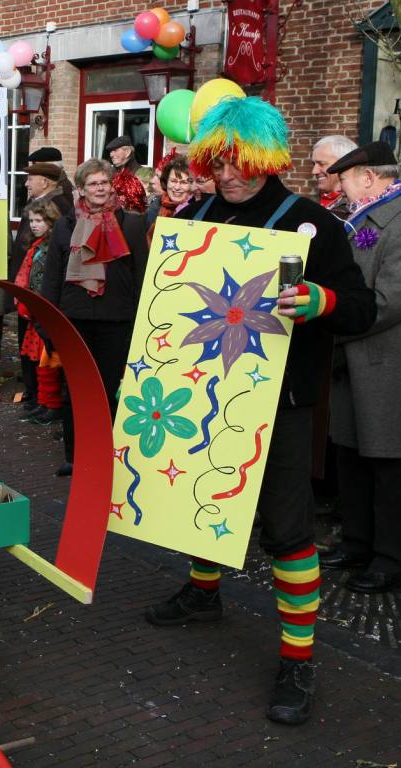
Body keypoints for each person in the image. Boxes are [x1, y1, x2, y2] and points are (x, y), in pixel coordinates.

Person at [143, 97, 375, 725]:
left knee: (286, 528)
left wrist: (322, 301)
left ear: (266, 160)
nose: (228, 176)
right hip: (198, 386)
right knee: (197, 495)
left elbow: (361, 308)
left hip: (282, 398)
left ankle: (298, 660)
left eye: (240, 163)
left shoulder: (313, 223)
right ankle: (203, 593)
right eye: (218, 164)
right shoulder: (197, 216)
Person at [319, 141, 401, 594]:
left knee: (387, 466)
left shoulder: (397, 221)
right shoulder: (362, 220)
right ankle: (356, 542)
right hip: (352, 362)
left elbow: (390, 301)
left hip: (384, 363)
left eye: (346, 180)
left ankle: (388, 557)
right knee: (350, 458)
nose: (341, 189)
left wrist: (335, 325)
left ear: (369, 177)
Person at [43, 158, 148, 471]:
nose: (100, 188)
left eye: (104, 182)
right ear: (81, 189)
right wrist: (47, 324)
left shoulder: (131, 223)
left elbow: (141, 274)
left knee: (108, 391)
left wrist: (140, 320)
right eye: (93, 183)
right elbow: (53, 276)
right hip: (74, 319)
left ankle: (107, 457)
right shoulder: (65, 225)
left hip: (116, 319)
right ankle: (75, 457)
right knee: (75, 390)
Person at [10, 162, 75, 406]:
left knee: (46, 358)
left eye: (31, 178)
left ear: (45, 182)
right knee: (35, 357)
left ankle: (46, 401)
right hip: (30, 305)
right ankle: (37, 396)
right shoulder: (36, 233)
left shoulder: (56, 208)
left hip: (41, 306)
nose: (26, 183)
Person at [14, 199, 67, 424]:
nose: (34, 225)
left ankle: (51, 405)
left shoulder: (50, 247)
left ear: (50, 221)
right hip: (35, 311)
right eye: (32, 221)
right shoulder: (37, 245)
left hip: (45, 310)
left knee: (48, 359)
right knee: (40, 361)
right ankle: (44, 402)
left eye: (39, 220)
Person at [146, 153, 193, 238]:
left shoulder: (196, 209)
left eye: (183, 182)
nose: (177, 187)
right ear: (166, 181)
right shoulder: (157, 205)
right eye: (173, 181)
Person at [310, 135, 358, 219]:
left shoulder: (355, 206)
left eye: (322, 164)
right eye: (314, 164)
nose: (314, 171)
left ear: (343, 164)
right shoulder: (311, 203)